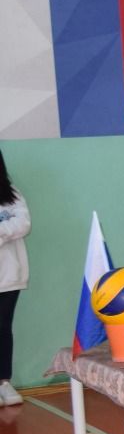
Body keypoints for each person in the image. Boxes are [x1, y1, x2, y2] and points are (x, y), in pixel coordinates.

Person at [0, 149, 29, 406]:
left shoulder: (11, 194)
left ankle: (4, 383)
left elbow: (23, 224)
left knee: (2, 328)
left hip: (8, 276)